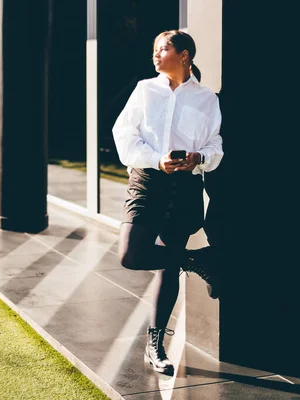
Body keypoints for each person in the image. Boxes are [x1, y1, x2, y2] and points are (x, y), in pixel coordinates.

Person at [112, 30, 224, 375]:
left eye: (163, 49)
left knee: (168, 267)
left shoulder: (206, 98)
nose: (155, 56)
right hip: (147, 181)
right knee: (130, 254)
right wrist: (156, 159)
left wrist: (199, 158)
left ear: (185, 55)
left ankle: (155, 346)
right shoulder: (146, 90)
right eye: (155, 50)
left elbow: (215, 143)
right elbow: (124, 133)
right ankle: (199, 261)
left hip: (184, 188)